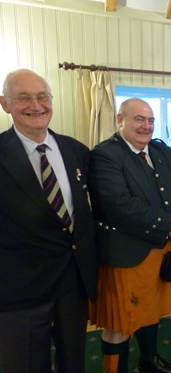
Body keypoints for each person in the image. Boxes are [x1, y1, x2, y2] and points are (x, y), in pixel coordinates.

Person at [88, 98, 171, 373]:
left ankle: (149, 361)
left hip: (161, 251)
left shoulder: (159, 148)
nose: (146, 126)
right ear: (120, 120)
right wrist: (169, 227)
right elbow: (119, 205)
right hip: (126, 255)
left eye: (150, 121)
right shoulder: (104, 154)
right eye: (139, 119)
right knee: (119, 324)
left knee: (150, 313)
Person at [0, 69, 97, 373]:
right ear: (5, 104)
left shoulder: (76, 150)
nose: (36, 105)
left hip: (73, 283)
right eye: (24, 98)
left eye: (42, 97)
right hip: (20, 288)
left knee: (73, 362)